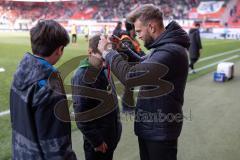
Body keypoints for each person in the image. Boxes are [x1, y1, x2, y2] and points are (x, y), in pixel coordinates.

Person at [98, 4, 190, 160]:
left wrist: (108, 52)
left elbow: (131, 77)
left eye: (139, 31)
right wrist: (123, 48)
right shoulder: (164, 47)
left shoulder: (171, 51)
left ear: (152, 27)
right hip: (154, 127)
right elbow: (142, 62)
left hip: (160, 130)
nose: (138, 36)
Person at [10, 20, 77, 159]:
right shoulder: (49, 87)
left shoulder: (20, 72)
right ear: (59, 49)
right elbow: (56, 146)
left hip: (21, 154)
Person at [71, 34, 122, 160]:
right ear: (90, 52)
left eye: (107, 58)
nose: (105, 63)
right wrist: (97, 141)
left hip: (110, 135)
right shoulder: (82, 77)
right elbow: (82, 115)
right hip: (98, 143)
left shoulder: (102, 69)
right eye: (102, 58)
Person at [113, 21, 145, 112]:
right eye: (136, 29)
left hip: (134, 66)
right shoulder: (126, 39)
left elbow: (139, 51)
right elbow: (129, 53)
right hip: (129, 67)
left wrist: (146, 57)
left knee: (130, 87)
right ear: (132, 29)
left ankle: (130, 106)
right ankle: (127, 107)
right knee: (128, 87)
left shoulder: (132, 39)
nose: (137, 32)